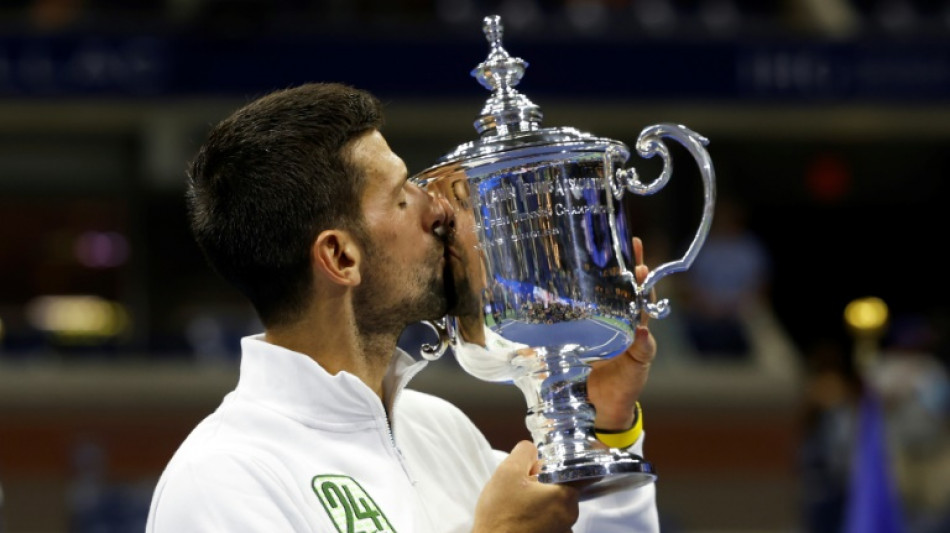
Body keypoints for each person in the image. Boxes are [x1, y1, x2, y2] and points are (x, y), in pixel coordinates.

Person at [145, 82, 660, 532]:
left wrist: (605, 422)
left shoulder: (439, 428)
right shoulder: (223, 480)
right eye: (401, 196)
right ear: (340, 257)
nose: (437, 208)